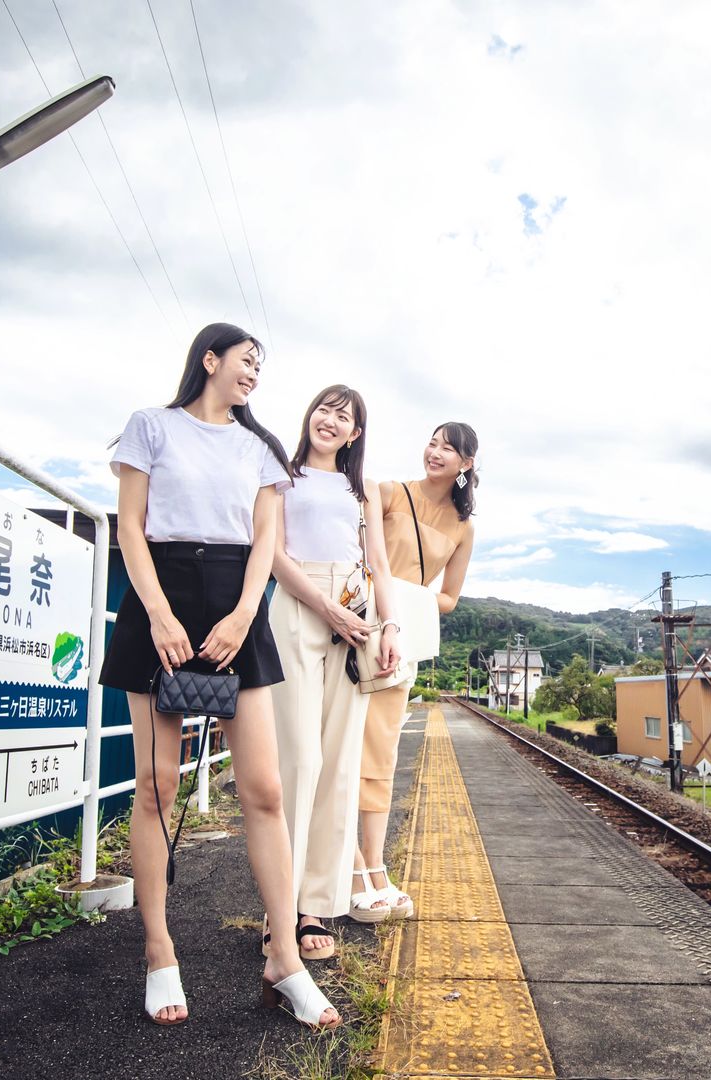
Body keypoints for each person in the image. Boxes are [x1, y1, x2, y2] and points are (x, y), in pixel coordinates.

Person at [99, 323, 340, 1030]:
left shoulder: (261, 448)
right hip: (160, 596)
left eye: (261, 368)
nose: (254, 375)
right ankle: (159, 951)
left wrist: (243, 615)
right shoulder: (151, 427)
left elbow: (267, 539)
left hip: (237, 600)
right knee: (158, 786)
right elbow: (131, 528)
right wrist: (159, 616)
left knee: (264, 789)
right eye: (246, 362)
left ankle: (284, 959)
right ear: (210, 360)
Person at [267, 385, 402, 961]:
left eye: (343, 416)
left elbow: (378, 565)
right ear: (309, 417)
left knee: (340, 764)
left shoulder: (362, 488)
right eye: (324, 408)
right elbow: (270, 551)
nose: (330, 420)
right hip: (298, 604)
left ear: (355, 434)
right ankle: (277, 912)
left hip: (357, 607)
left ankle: (314, 906)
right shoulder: (280, 472)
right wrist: (326, 608)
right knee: (298, 760)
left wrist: (389, 625)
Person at [350, 423, 479, 923]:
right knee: (341, 745)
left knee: (381, 752)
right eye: (433, 441)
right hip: (357, 627)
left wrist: (404, 602)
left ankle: (375, 866)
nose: (436, 452)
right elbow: (358, 556)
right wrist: (383, 599)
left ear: (467, 463)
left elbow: (448, 598)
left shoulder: (464, 527)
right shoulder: (387, 493)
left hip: (400, 642)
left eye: (449, 448)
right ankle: (355, 867)